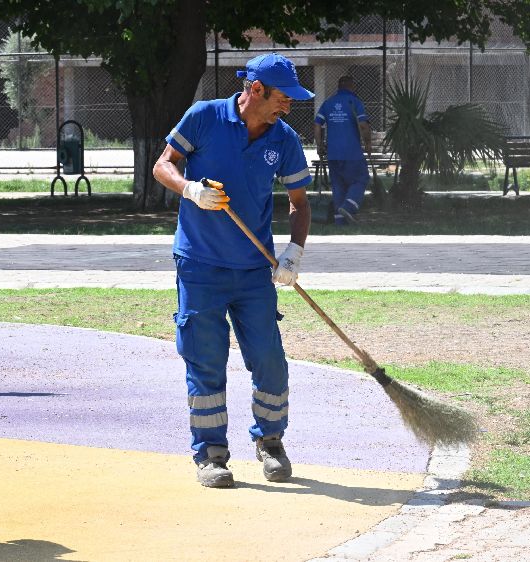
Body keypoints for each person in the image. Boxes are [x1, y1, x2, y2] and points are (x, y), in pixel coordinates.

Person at [152, 53, 313, 488]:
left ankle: (270, 442)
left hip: (253, 271)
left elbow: (300, 204)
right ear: (255, 90)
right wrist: (189, 189)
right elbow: (162, 165)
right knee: (205, 359)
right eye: (283, 97)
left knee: (269, 358)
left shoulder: (285, 139)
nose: (289, 106)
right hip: (200, 265)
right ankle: (211, 454)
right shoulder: (204, 117)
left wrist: (293, 254)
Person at [313, 75, 371, 225]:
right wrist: (368, 144)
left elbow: (317, 125)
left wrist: (320, 146)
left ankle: (340, 222)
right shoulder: (355, 102)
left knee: (338, 186)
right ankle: (349, 206)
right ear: (352, 86)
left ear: (339, 87)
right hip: (352, 153)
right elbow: (364, 126)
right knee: (361, 178)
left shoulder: (328, 103)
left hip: (333, 154)